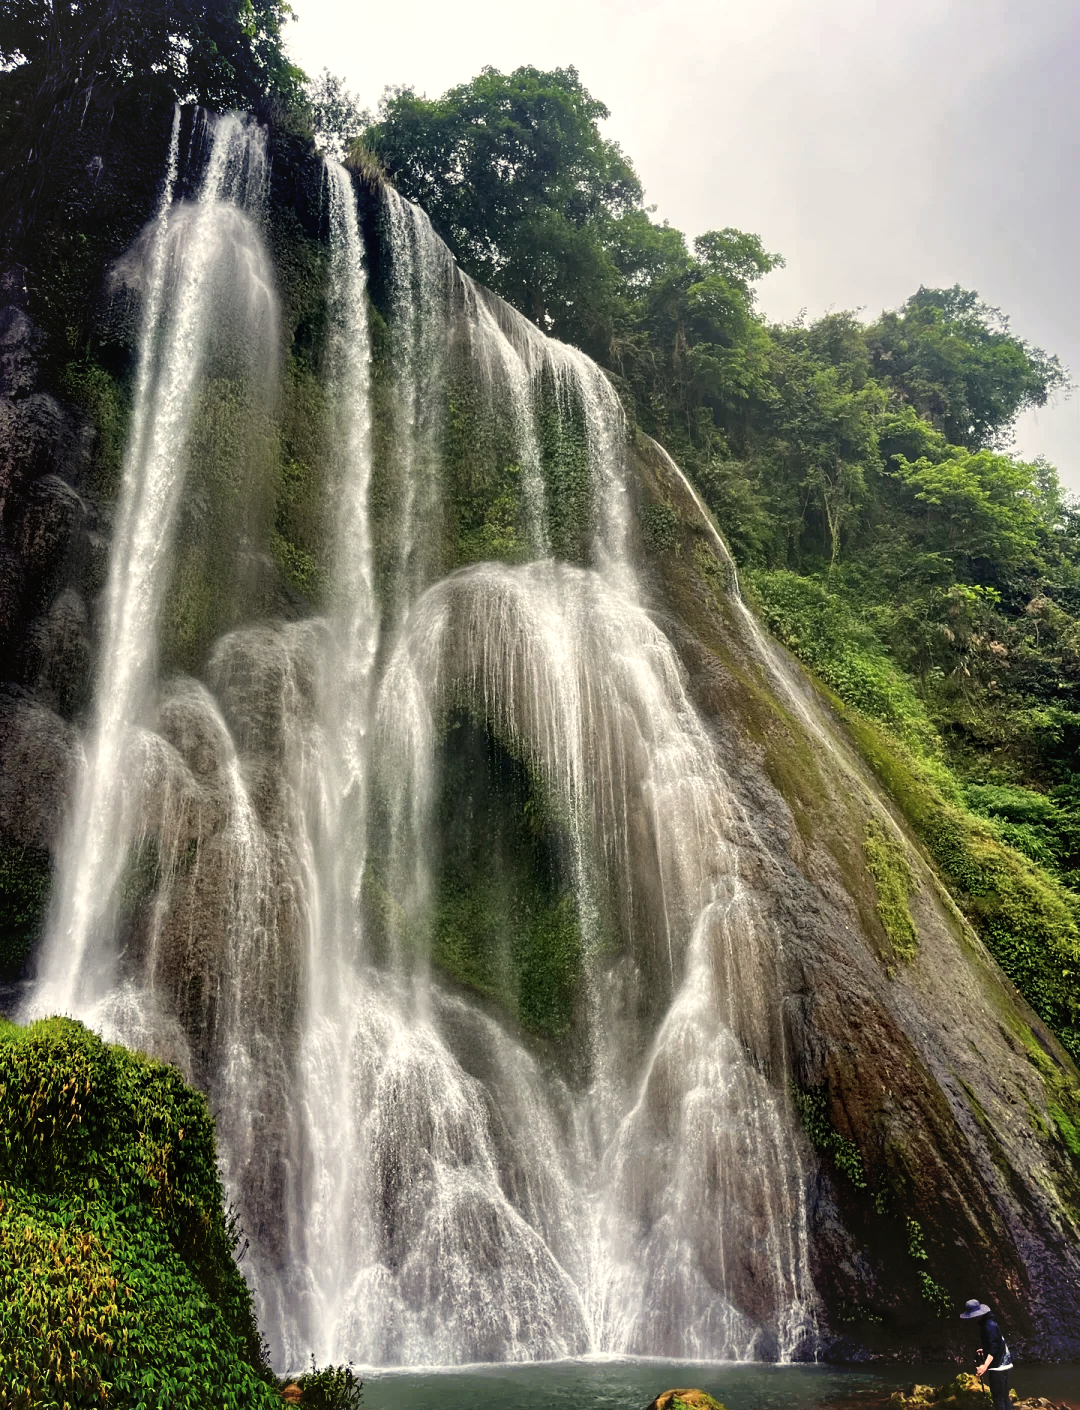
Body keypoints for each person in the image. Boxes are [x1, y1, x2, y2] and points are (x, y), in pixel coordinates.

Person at [959, 1298, 1013, 1410]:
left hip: (998, 1367)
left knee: (998, 1398)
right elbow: (997, 1343)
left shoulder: (989, 1326)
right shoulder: (990, 1322)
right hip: (1005, 1365)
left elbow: (993, 1348)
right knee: (1004, 1397)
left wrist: (984, 1366)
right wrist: (985, 1350)